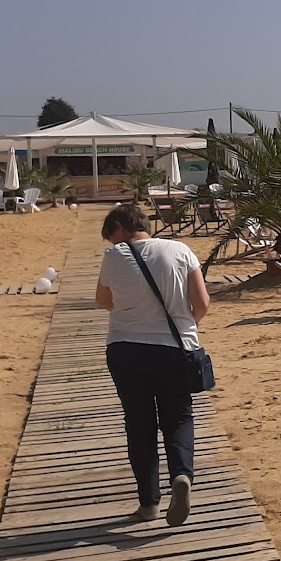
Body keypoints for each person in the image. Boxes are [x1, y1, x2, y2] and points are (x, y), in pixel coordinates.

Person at [95, 203, 210, 525]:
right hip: (174, 349)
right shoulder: (180, 249)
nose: (113, 245)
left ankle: (148, 504)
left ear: (120, 227)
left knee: (139, 424)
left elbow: (103, 301)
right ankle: (182, 475)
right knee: (178, 417)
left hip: (126, 348)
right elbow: (201, 303)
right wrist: (185, 326)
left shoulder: (115, 256)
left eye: (112, 238)